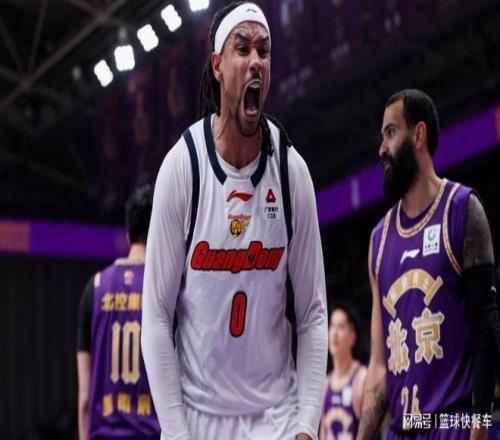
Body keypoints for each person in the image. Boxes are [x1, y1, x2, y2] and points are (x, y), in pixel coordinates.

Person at [141, 2, 328, 440]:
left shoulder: (291, 171)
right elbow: (156, 316)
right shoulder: (183, 167)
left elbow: (312, 314)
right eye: (242, 49)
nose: (256, 61)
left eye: (264, 51)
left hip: (277, 416)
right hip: (198, 418)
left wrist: (306, 425)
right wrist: (176, 432)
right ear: (217, 66)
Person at [357, 89, 500, 439]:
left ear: (418, 135)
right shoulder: (379, 239)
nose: (382, 148)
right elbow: (379, 367)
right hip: (403, 429)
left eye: (391, 133)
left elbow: (487, 326)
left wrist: (479, 424)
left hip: (453, 424)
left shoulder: (462, 209)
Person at [76, 185, 160, 440]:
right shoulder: (165, 289)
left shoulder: (95, 288)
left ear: (127, 234)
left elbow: (85, 397)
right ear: (160, 230)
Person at [320, 303, 367, 440]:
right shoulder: (325, 384)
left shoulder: (362, 378)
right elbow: (323, 432)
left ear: (352, 336)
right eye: (332, 326)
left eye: (340, 327)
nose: (334, 333)